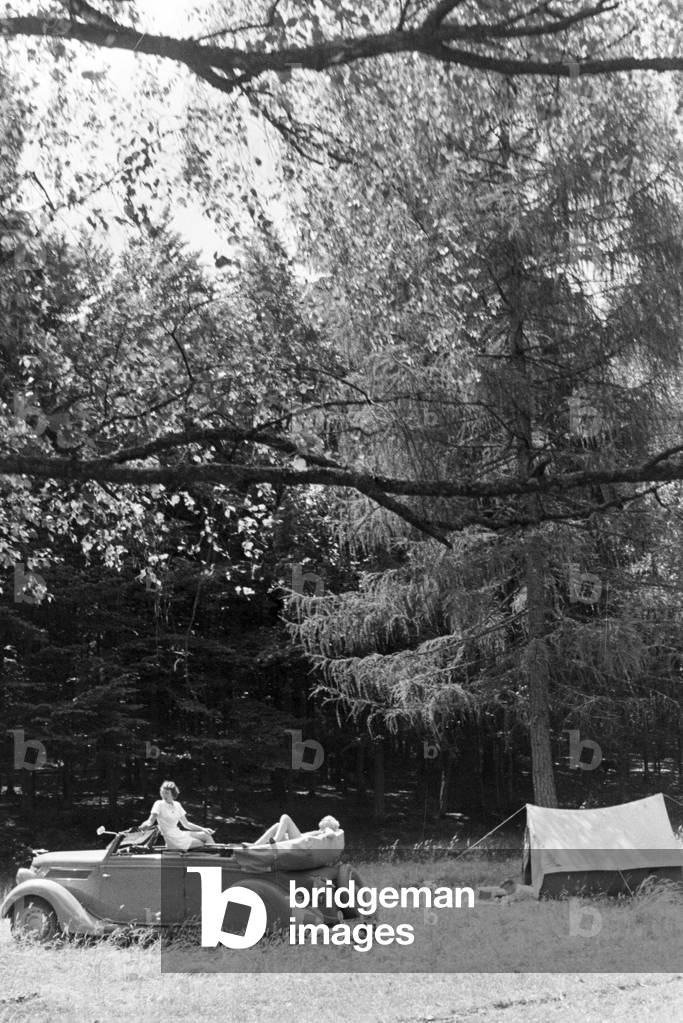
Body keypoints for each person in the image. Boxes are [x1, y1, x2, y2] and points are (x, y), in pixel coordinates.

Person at [139, 780, 216, 850]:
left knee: (206, 835)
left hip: (179, 834)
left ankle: (216, 857)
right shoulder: (159, 804)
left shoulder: (177, 805)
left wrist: (203, 829)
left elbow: (186, 824)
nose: (163, 795)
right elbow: (150, 821)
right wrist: (143, 826)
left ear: (173, 794)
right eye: (162, 792)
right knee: (201, 843)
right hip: (172, 839)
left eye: (166, 793)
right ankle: (215, 859)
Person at [251, 813, 341, 846]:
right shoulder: (319, 831)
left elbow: (332, 834)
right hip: (299, 840)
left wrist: (328, 829)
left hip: (300, 842)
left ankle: (275, 841)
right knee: (278, 825)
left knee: (285, 817)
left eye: (324, 819)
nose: (322, 820)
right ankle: (255, 845)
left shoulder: (325, 831)